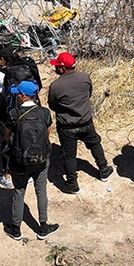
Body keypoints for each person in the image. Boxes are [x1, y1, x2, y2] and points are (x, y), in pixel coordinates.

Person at [46, 51, 113, 194]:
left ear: (63, 69)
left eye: (57, 66)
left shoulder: (56, 86)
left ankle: (72, 183)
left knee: (69, 155)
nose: (55, 68)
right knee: (95, 144)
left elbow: (52, 105)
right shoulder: (85, 78)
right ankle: (104, 169)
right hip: (86, 121)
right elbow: (89, 94)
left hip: (66, 126)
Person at [4, 81, 58, 241]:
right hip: (41, 159)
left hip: (20, 160)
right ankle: (43, 226)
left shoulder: (14, 114)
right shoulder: (45, 113)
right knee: (41, 191)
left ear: (22, 96)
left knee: (19, 192)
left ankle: (16, 229)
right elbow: (48, 134)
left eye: (18, 93)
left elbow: (7, 136)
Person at [0, 48, 41, 190]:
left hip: (8, 112)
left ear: (3, 59)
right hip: (29, 110)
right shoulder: (26, 68)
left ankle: (7, 176)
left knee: (7, 143)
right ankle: (26, 172)